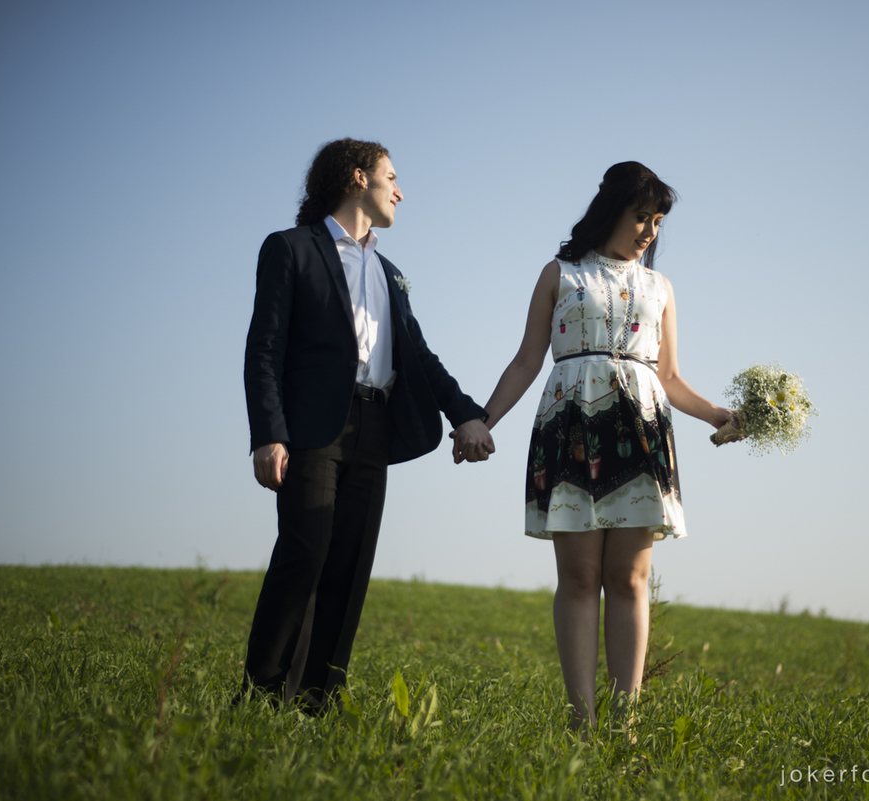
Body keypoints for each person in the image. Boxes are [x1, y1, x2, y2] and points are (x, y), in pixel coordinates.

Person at [475, 162, 734, 730]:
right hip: (571, 425)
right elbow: (526, 360)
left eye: (658, 221)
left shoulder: (660, 287)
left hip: (640, 429)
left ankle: (624, 725)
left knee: (629, 578)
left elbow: (668, 376)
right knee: (578, 577)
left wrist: (717, 414)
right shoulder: (560, 273)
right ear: (611, 211)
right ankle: (581, 721)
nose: (650, 231)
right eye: (641, 217)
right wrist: (482, 421)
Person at [242, 138, 495, 712]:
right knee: (305, 552)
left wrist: (466, 415)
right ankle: (260, 696)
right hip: (312, 428)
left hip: (376, 425)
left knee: (350, 565)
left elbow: (419, 357)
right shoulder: (290, 248)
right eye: (392, 177)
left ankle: (319, 701)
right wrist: (268, 433)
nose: (400, 191)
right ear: (359, 177)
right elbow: (265, 348)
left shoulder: (390, 271)